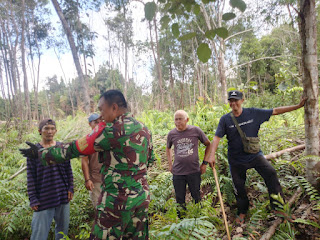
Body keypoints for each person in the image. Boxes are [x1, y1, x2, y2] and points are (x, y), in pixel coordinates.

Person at [20, 89, 155, 240]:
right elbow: (150, 159)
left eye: (101, 110)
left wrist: (41, 154)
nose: (100, 116)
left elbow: (76, 148)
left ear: (114, 108)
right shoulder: (144, 129)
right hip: (141, 196)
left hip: (117, 200)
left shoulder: (111, 131)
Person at [206, 90, 306, 224]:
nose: (233, 103)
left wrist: (298, 106)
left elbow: (275, 111)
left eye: (236, 100)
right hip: (236, 160)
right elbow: (217, 137)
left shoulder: (253, 113)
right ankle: (242, 211)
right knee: (238, 186)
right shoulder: (225, 119)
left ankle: (278, 208)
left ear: (242, 100)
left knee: (270, 173)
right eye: (231, 100)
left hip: (254, 155)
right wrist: (211, 156)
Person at [26, 118, 73, 240]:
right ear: (40, 131)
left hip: (62, 195)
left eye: (52, 128)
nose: (49, 131)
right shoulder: (33, 151)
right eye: (46, 128)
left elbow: (68, 170)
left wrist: (70, 188)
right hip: (43, 198)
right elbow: (30, 176)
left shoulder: (61, 147)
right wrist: (33, 198)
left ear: (56, 131)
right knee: (39, 235)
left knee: (62, 233)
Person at [166, 110, 211, 218]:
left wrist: (204, 163)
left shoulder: (195, 130)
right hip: (178, 172)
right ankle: (182, 222)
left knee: (196, 195)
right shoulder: (172, 134)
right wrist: (170, 164)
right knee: (179, 198)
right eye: (176, 119)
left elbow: (208, 144)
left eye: (180, 118)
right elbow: (168, 148)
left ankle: (198, 219)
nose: (177, 121)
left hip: (194, 171)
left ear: (187, 119)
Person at [81, 113, 103, 208]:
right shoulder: (86, 140)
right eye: (96, 122)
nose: (98, 124)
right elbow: (84, 161)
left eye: (100, 122)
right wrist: (87, 179)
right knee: (99, 208)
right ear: (90, 124)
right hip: (96, 180)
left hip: (110, 179)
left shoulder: (108, 138)